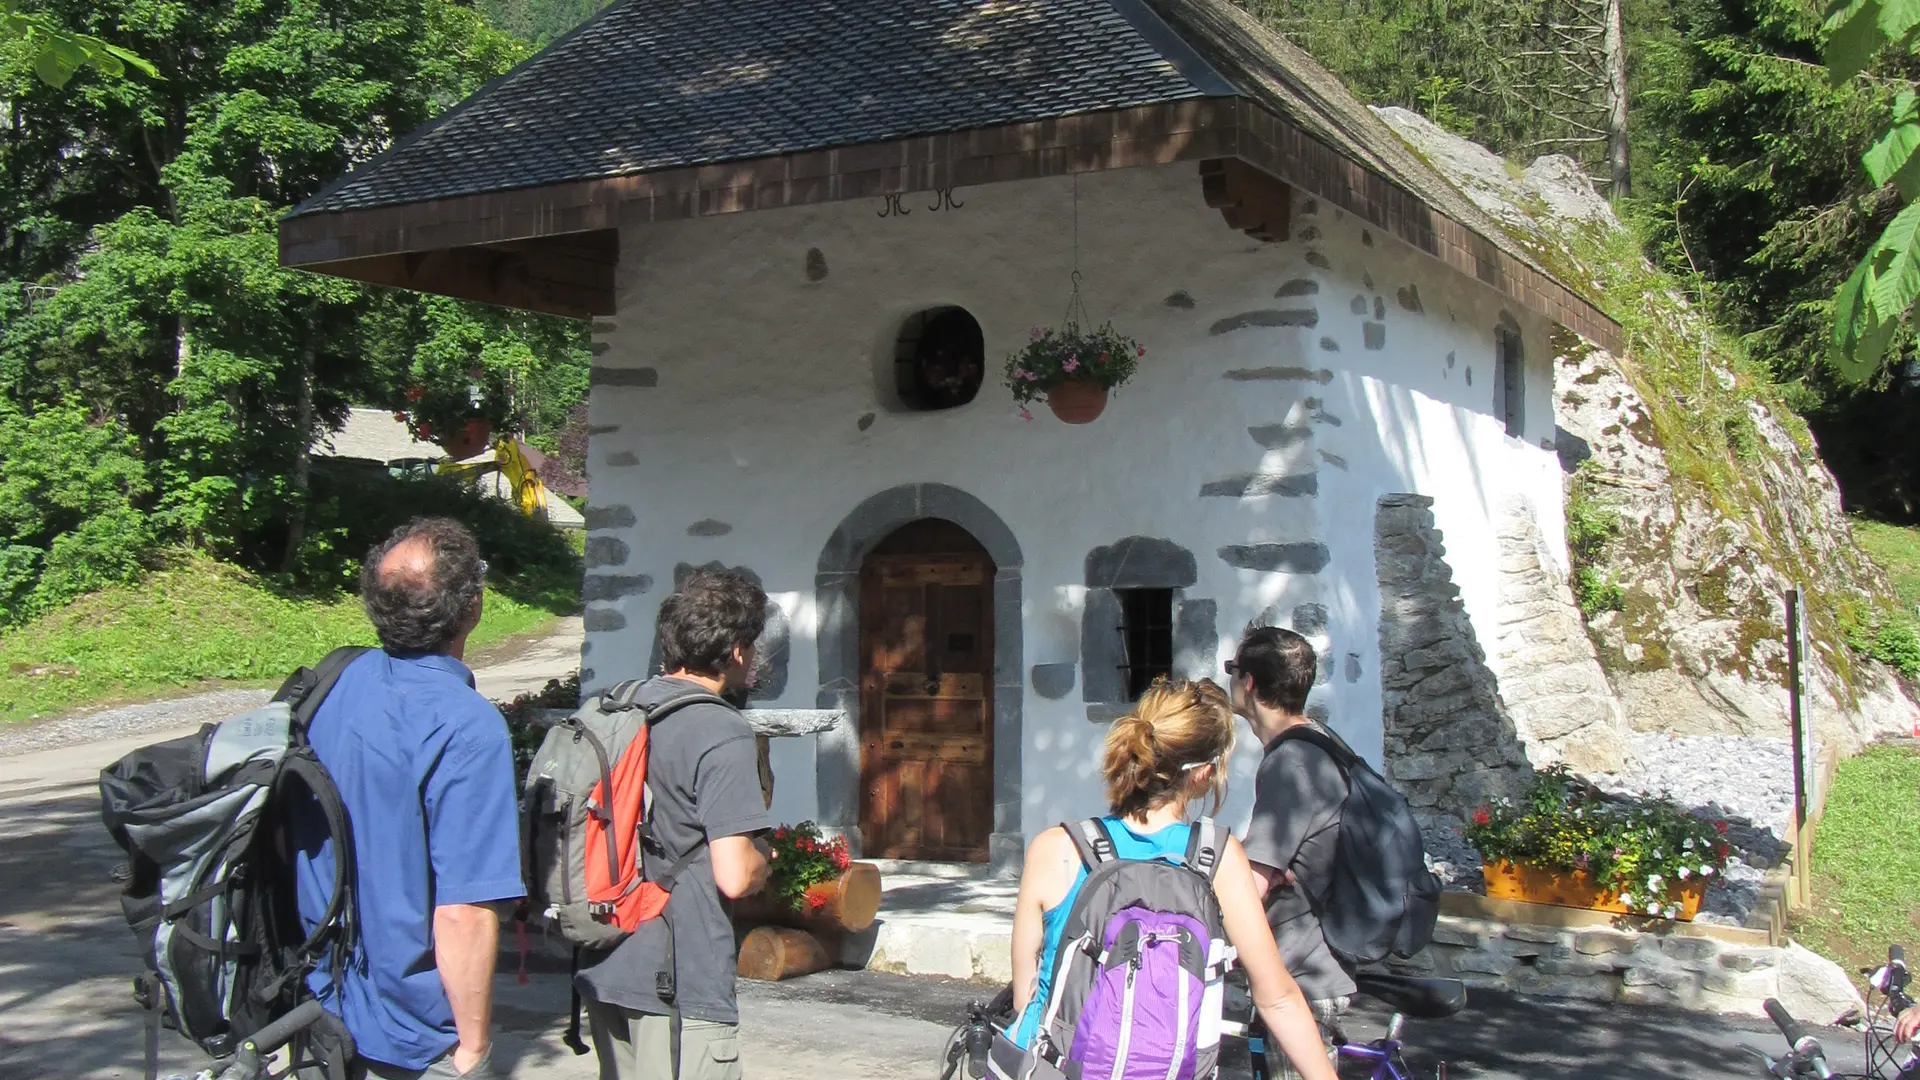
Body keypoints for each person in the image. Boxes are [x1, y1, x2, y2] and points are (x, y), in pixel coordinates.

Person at [1008, 677, 1339, 1080]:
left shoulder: (1056, 848)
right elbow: (1278, 999)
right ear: (1204, 774)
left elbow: (1028, 996)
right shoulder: (1218, 858)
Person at [294, 518, 525, 1079]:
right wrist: (472, 1049)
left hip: (317, 1007)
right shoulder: (466, 726)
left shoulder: (332, 682)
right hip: (413, 1036)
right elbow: (464, 912)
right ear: (472, 607)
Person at [576, 569, 774, 1080]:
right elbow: (733, 874)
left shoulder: (619, 707)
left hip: (604, 955)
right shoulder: (720, 727)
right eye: (751, 645)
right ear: (735, 650)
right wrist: (765, 860)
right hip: (679, 971)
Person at [1228, 626, 1356, 1078]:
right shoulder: (1320, 740)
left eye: (1232, 670)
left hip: (1299, 970)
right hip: (1319, 957)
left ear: (1247, 683)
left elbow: (1251, 885)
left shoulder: (1291, 763)